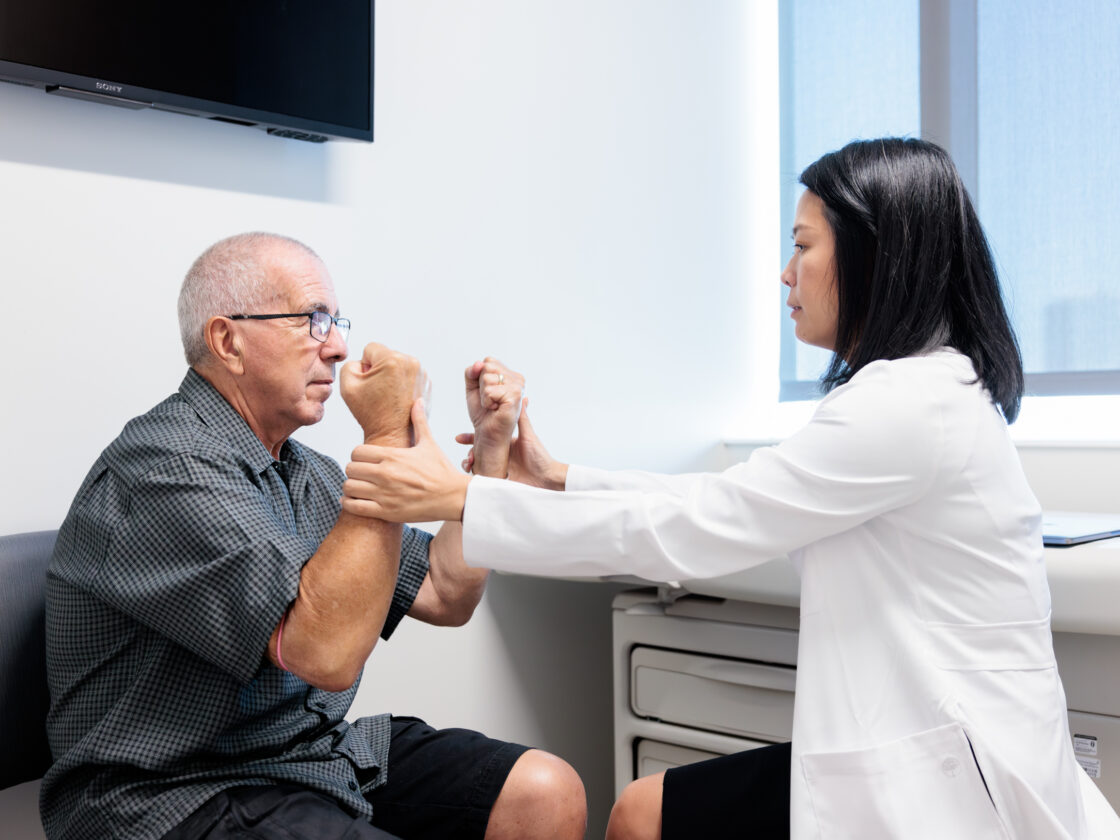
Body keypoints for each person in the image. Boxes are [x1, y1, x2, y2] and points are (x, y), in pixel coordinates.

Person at [338, 139, 1120, 839]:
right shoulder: (922, 392)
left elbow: (704, 523)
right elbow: (736, 498)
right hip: (925, 749)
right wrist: (557, 478)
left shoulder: (907, 404)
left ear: (874, 258)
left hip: (954, 789)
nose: (786, 272)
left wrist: (462, 498)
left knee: (643, 815)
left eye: (804, 245)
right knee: (644, 811)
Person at [42, 232, 586, 840]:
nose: (339, 347)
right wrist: (384, 435)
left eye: (335, 320)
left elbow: (445, 591)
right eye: (312, 321)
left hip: (305, 758)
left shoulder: (304, 472)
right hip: (172, 791)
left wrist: (489, 455)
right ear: (228, 341)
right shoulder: (167, 466)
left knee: (543, 790)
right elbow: (323, 656)